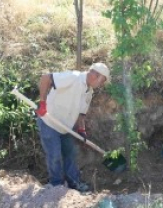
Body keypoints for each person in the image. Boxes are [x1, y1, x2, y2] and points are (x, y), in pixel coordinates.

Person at [35, 63, 111, 191]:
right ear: (95, 75)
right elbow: (45, 78)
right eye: (102, 81)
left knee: (70, 155)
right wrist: (42, 103)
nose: (101, 84)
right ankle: (56, 186)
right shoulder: (73, 77)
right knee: (54, 156)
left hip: (65, 127)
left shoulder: (89, 92)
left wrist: (82, 130)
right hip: (49, 122)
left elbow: (81, 114)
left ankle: (74, 184)